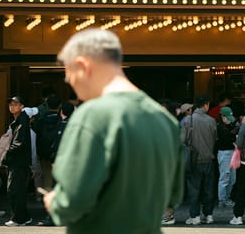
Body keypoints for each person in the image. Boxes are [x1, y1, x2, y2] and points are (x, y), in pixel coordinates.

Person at [43, 29, 183, 233]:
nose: (72, 85)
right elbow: (174, 195)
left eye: (70, 76)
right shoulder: (165, 120)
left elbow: (72, 202)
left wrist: (55, 202)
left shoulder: (92, 115)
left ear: (83, 65)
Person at [182, 94, 217, 225]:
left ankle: (195, 216)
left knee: (194, 189)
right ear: (206, 105)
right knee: (208, 190)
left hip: (193, 160)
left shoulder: (188, 120)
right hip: (208, 159)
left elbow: (183, 140)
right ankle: (208, 215)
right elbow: (214, 139)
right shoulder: (211, 121)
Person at [2, 96, 32, 227]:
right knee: (16, 190)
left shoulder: (22, 121)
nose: (12, 106)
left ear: (21, 106)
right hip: (18, 162)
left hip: (18, 162)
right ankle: (22, 217)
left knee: (14, 190)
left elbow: (18, 144)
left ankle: (19, 219)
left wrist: (6, 155)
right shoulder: (19, 120)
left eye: (15, 104)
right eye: (10, 104)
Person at [217, 106, 238, 208]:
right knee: (224, 177)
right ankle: (222, 199)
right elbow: (227, 138)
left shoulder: (229, 125)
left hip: (231, 153)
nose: (229, 121)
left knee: (232, 178)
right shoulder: (219, 127)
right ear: (222, 116)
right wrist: (233, 135)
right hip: (224, 153)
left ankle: (227, 197)